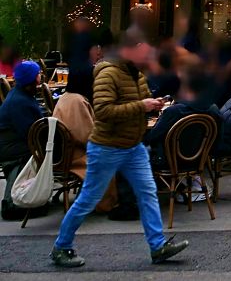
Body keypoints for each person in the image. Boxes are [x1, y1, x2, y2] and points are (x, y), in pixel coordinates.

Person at [50, 28, 189, 268]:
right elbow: (103, 111)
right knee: (89, 199)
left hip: (132, 146)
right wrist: (142, 106)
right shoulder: (108, 74)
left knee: (147, 193)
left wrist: (154, 104)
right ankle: (61, 246)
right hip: (107, 146)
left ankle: (158, 246)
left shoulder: (136, 74)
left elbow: (143, 99)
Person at [51, 70, 116, 214]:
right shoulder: (78, 101)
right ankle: (105, 203)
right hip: (74, 155)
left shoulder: (66, 97)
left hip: (65, 152)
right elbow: (85, 135)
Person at [147, 70, 222, 170]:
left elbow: (152, 137)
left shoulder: (174, 111)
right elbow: (218, 138)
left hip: (168, 161)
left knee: (139, 149)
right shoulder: (214, 109)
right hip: (200, 160)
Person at [0, 61, 45, 221]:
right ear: (32, 79)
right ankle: (13, 204)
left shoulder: (21, 95)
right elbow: (31, 133)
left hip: (11, 145)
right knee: (36, 152)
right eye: (38, 74)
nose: (40, 76)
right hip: (14, 149)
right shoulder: (20, 102)